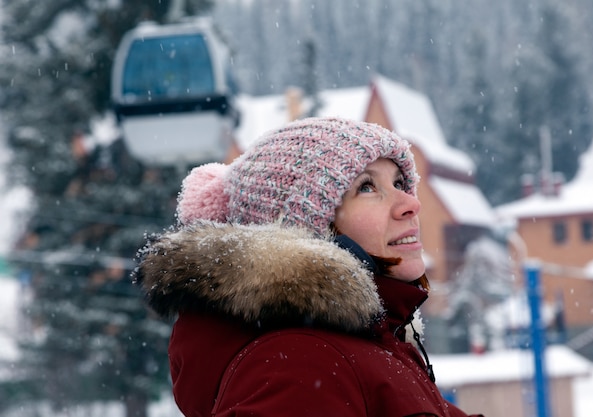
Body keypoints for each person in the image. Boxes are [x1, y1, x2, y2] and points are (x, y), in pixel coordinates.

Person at [134, 117, 484, 417]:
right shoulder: (303, 363)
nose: (410, 203)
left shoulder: (372, 346)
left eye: (399, 183)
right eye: (367, 186)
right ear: (307, 230)